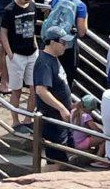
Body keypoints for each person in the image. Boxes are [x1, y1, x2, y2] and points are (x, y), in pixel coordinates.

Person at [0, 0, 39, 133]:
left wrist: (36, 46)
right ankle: (15, 121)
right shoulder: (9, 10)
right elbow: (3, 33)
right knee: (16, 89)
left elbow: (33, 28)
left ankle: (28, 118)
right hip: (17, 55)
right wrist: (10, 54)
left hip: (32, 53)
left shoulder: (33, 6)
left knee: (34, 87)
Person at [33, 25, 75, 168]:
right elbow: (41, 90)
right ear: (52, 42)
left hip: (59, 121)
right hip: (52, 121)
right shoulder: (44, 62)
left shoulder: (53, 58)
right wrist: (62, 108)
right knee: (56, 162)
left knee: (61, 160)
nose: (65, 46)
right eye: (63, 42)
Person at [46, 0, 88, 87]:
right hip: (67, 45)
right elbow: (82, 32)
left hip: (52, 39)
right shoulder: (80, 5)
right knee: (66, 77)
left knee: (50, 73)